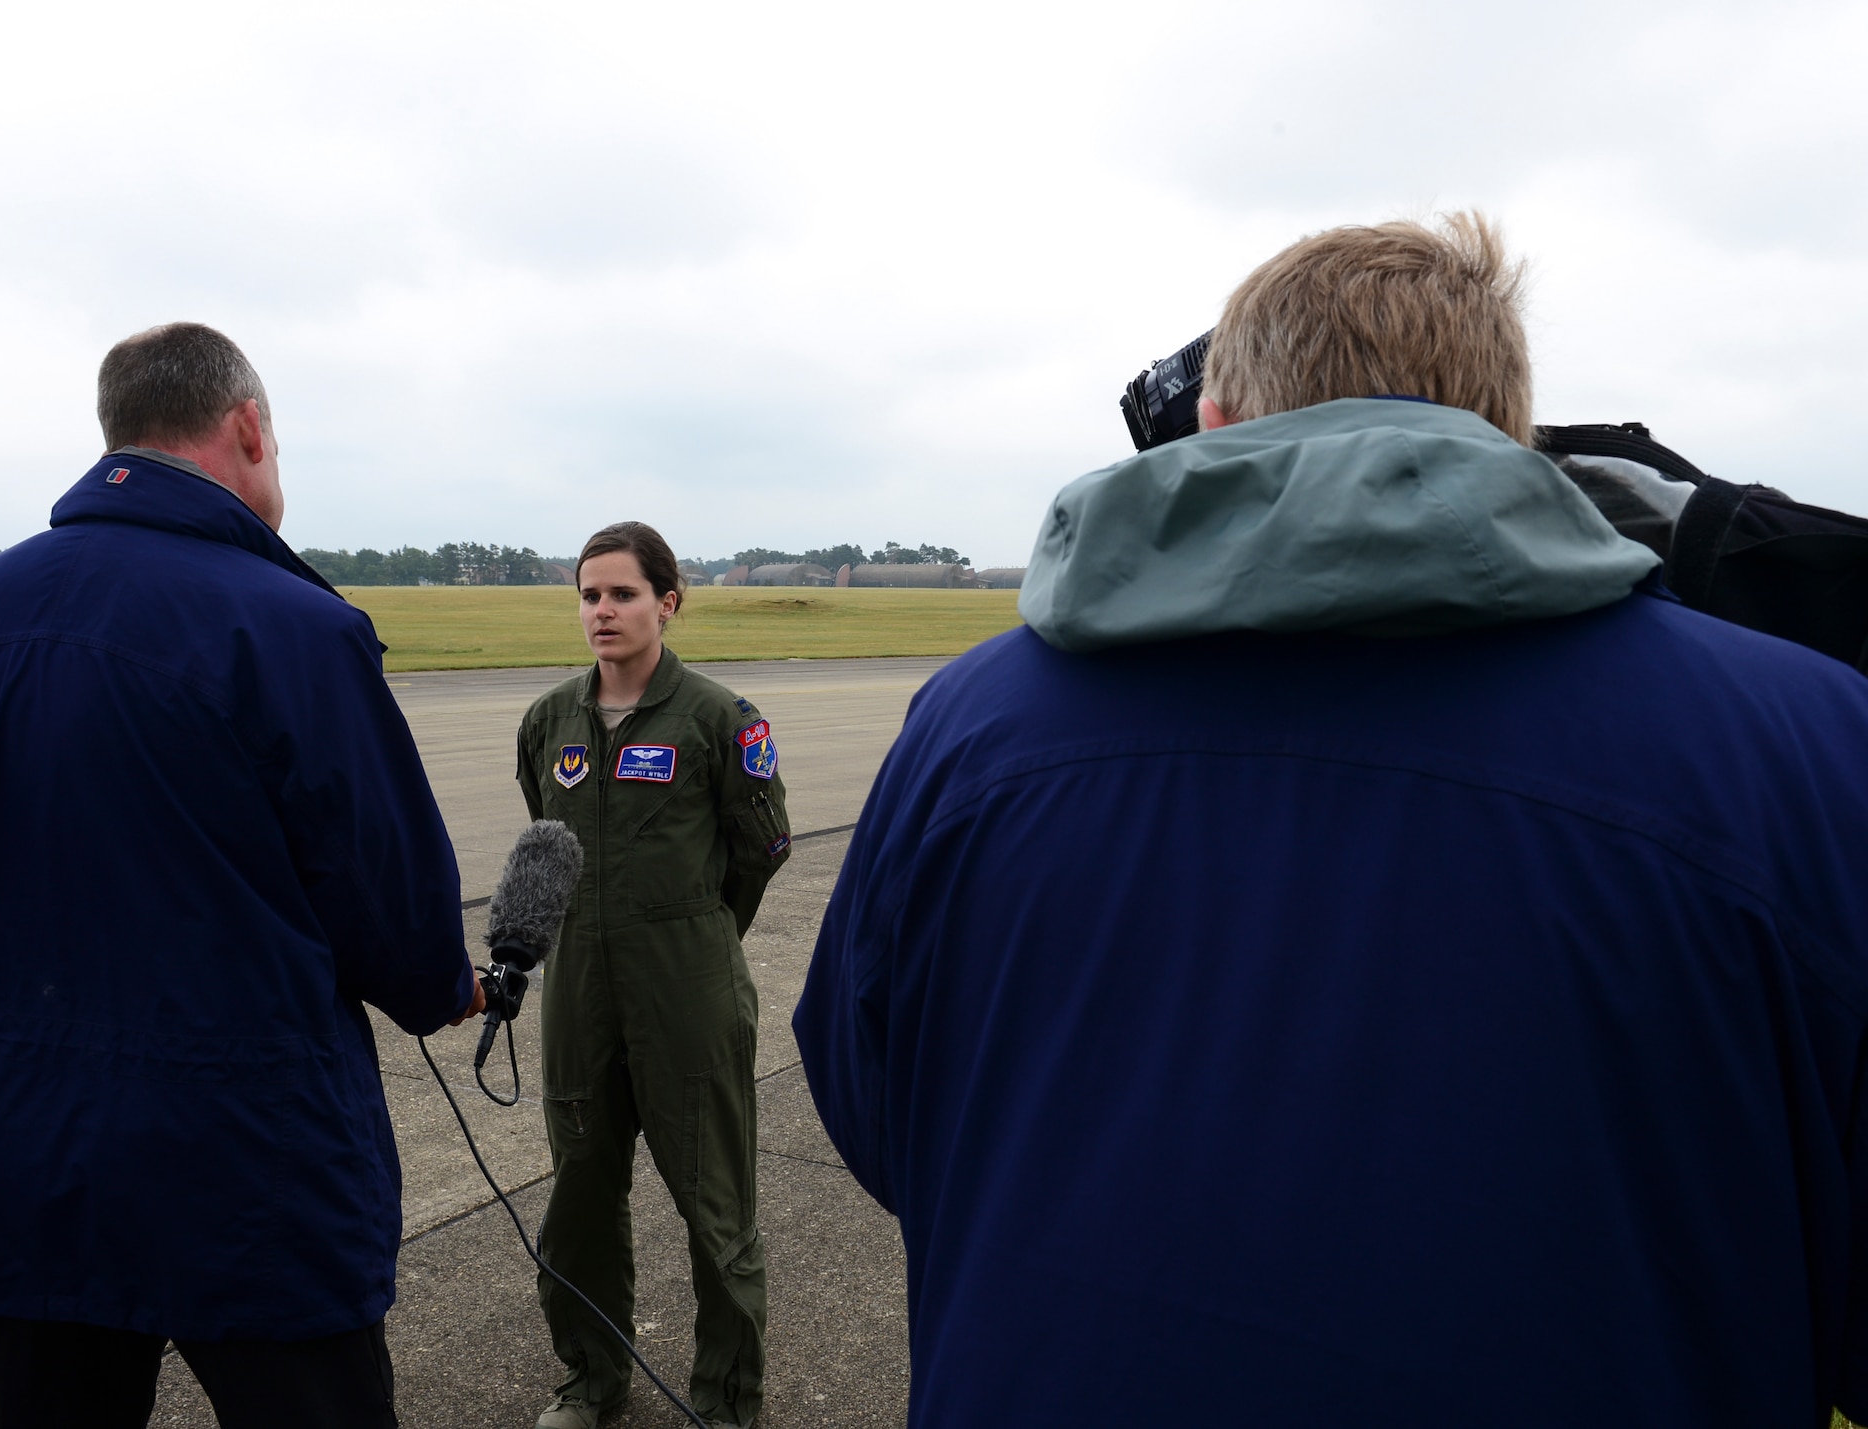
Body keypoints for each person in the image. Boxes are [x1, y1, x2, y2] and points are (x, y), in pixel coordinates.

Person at [793, 215, 1868, 1426]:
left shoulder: (962, 729)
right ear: (1508, 431)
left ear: (1210, 422)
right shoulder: (1812, 741)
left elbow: (873, 1102)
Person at [0, 323, 483, 1428]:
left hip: (12, 1154)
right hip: (243, 1162)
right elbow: (388, 897)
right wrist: (443, 987)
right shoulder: (295, 626)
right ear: (247, 428)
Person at [514, 522, 790, 1429]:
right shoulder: (548, 722)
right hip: (579, 995)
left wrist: (697, 935)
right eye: (589, 595)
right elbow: (548, 847)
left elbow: (761, 850)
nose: (603, 611)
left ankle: (726, 1398)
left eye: (623, 593)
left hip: (689, 993)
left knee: (716, 1207)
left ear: (667, 602)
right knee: (580, 1197)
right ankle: (593, 1379)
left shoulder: (720, 718)